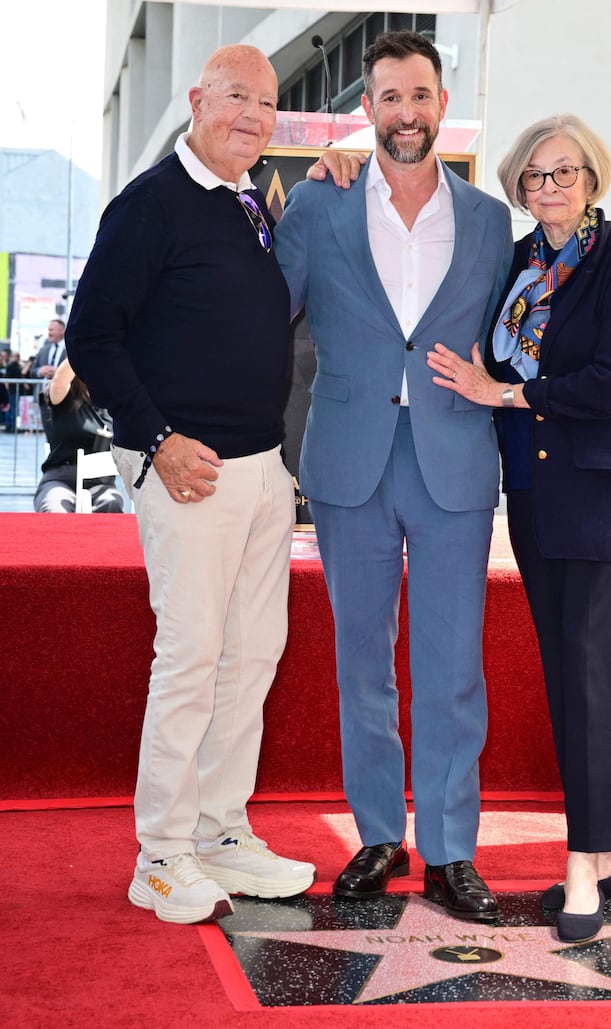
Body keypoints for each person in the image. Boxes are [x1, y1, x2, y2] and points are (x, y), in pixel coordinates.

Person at [65, 44, 319, 925]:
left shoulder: (249, 201)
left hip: (258, 471)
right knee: (192, 660)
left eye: (267, 102)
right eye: (237, 96)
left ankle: (218, 833)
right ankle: (162, 854)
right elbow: (91, 335)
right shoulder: (150, 205)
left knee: (251, 658)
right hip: (188, 473)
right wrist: (159, 439)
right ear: (196, 99)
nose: (253, 114)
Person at [275, 30, 513, 923]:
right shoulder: (318, 204)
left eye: (420, 96)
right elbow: (262, 306)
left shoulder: (491, 220)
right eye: (390, 98)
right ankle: (380, 833)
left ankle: (452, 850)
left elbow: (523, 331)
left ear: (441, 106)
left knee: (453, 667)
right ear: (365, 109)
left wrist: (517, 392)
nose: (406, 114)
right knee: (361, 660)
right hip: (350, 460)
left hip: (454, 460)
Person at [426, 114, 611, 943]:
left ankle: (581, 861)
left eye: (564, 173)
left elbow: (606, 385)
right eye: (534, 177)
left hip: (606, 505)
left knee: (596, 686)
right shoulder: (523, 265)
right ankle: (605, 850)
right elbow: (503, 358)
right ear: (518, 188)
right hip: (534, 499)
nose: (550, 188)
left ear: (593, 177)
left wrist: (500, 393)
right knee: (572, 683)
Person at [33, 358, 123, 513]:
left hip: (101, 481)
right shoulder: (64, 398)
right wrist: (82, 344)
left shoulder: (114, 404)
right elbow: (59, 381)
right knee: (55, 509)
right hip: (60, 478)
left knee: (112, 504)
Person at [29, 319, 67, 440]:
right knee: (49, 436)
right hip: (45, 400)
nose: (49, 333)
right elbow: (32, 371)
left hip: (65, 399)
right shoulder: (44, 349)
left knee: (63, 436)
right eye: (48, 330)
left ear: (61, 331)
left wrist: (59, 373)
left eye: (52, 330)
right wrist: (41, 371)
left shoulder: (70, 349)